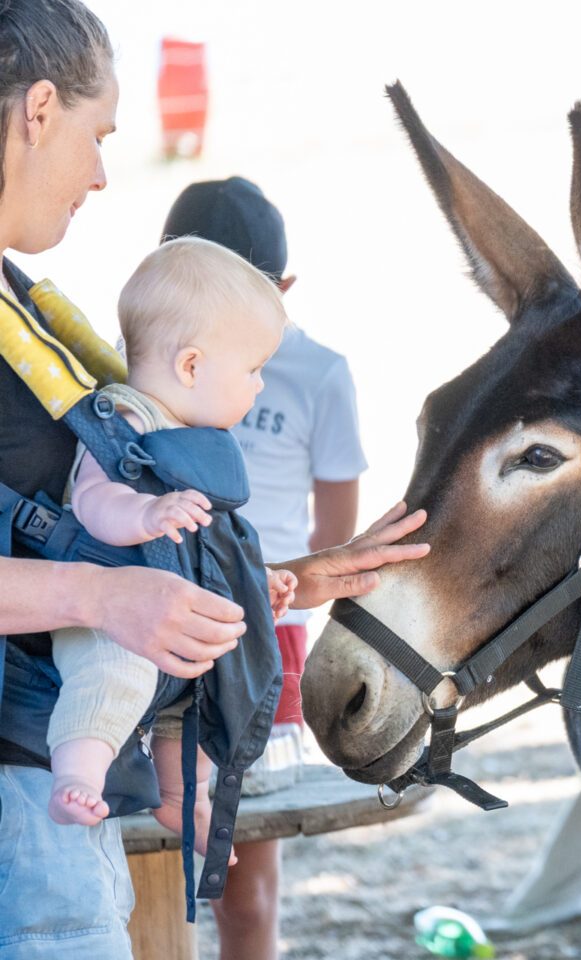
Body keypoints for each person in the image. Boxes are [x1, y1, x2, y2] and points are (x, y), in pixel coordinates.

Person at [0, 4, 427, 955]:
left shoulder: (21, 305)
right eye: (97, 134)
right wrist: (101, 597)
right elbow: (86, 561)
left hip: (47, 789)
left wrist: (287, 579)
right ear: (36, 112)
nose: (106, 173)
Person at [159, 175, 369, 960]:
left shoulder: (317, 372)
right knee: (152, 848)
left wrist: (295, 601)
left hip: (267, 627)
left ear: (283, 291)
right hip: (152, 618)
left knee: (241, 880)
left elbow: (338, 522)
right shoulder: (139, 361)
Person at [45, 236, 292, 848]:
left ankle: (185, 798)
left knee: (210, 685)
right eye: (253, 369)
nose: (260, 386)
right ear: (190, 366)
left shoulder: (195, 437)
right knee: (113, 677)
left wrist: (255, 589)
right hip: (110, 621)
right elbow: (92, 501)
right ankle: (76, 777)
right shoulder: (127, 420)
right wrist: (146, 512)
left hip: (171, 618)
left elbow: (214, 548)